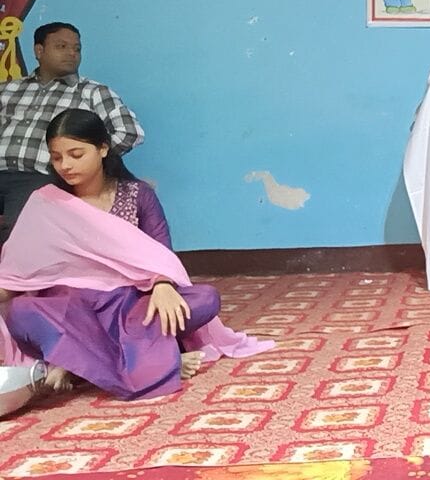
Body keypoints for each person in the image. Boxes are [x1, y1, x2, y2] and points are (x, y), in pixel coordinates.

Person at [0, 109, 271, 414]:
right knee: (21, 311)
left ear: (103, 148)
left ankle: (76, 363)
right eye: (56, 157)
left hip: (129, 308)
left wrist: (163, 285)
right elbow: (17, 273)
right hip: (71, 310)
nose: (65, 165)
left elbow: (161, 254)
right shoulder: (46, 203)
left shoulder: (137, 194)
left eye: (76, 154)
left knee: (204, 299)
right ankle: (159, 363)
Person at [0, 22, 144, 243]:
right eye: (62, 46)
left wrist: (82, 161)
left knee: (21, 230)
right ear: (39, 51)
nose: (72, 53)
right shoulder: (9, 90)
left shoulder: (91, 92)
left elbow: (130, 133)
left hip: (41, 176)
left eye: (77, 48)